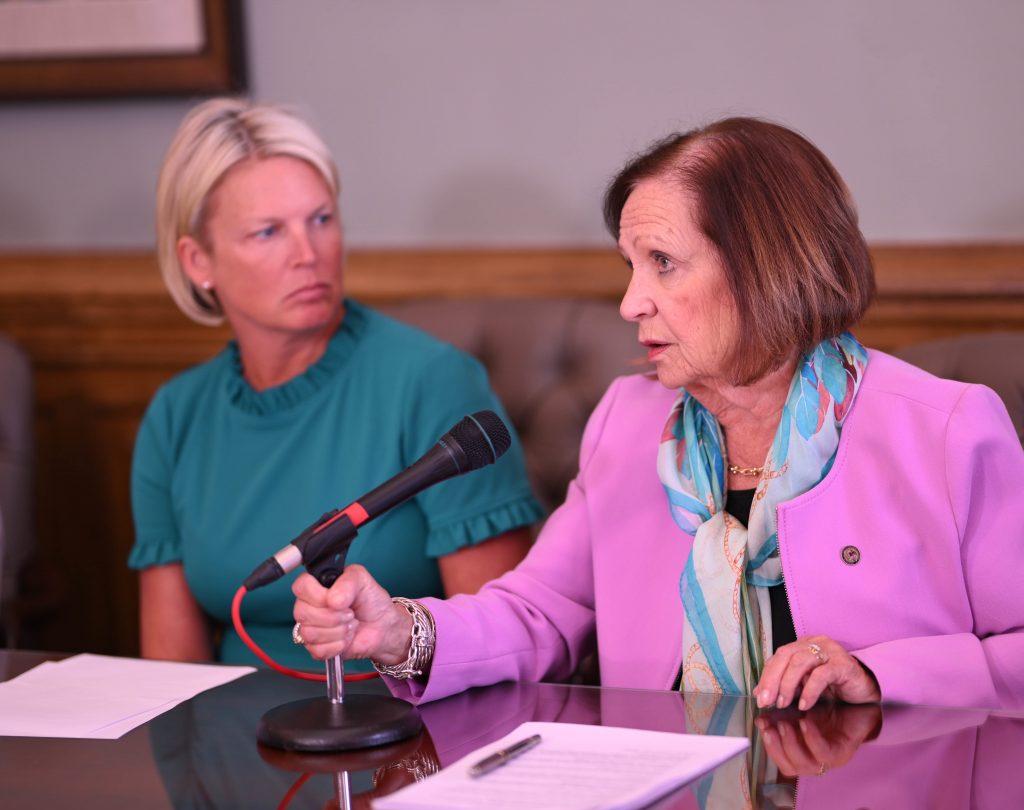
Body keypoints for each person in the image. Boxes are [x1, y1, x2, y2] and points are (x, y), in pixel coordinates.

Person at [292, 117, 1024, 710]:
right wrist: (401, 633)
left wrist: (878, 675)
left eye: (663, 263)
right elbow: (541, 611)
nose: (630, 302)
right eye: (630, 266)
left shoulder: (946, 430)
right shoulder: (628, 421)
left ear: (766, 267)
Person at [129, 98, 542, 670]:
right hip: (228, 724)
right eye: (267, 232)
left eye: (321, 220)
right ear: (199, 261)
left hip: (405, 721)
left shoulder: (435, 382)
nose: (308, 254)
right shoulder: (176, 415)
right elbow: (171, 674)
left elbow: (504, 647)